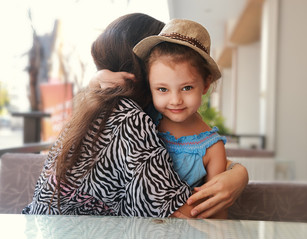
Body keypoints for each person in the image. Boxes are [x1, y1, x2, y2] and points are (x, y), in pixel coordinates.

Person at [23, 13, 248, 218]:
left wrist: (238, 172)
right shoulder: (129, 119)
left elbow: (188, 156)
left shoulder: (96, 108)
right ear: (147, 69)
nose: (175, 98)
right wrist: (237, 177)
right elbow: (185, 213)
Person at [132, 19, 228, 218]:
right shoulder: (143, 120)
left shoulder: (212, 148)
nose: (175, 100)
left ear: (206, 84)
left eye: (186, 88)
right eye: (162, 89)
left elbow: (217, 211)